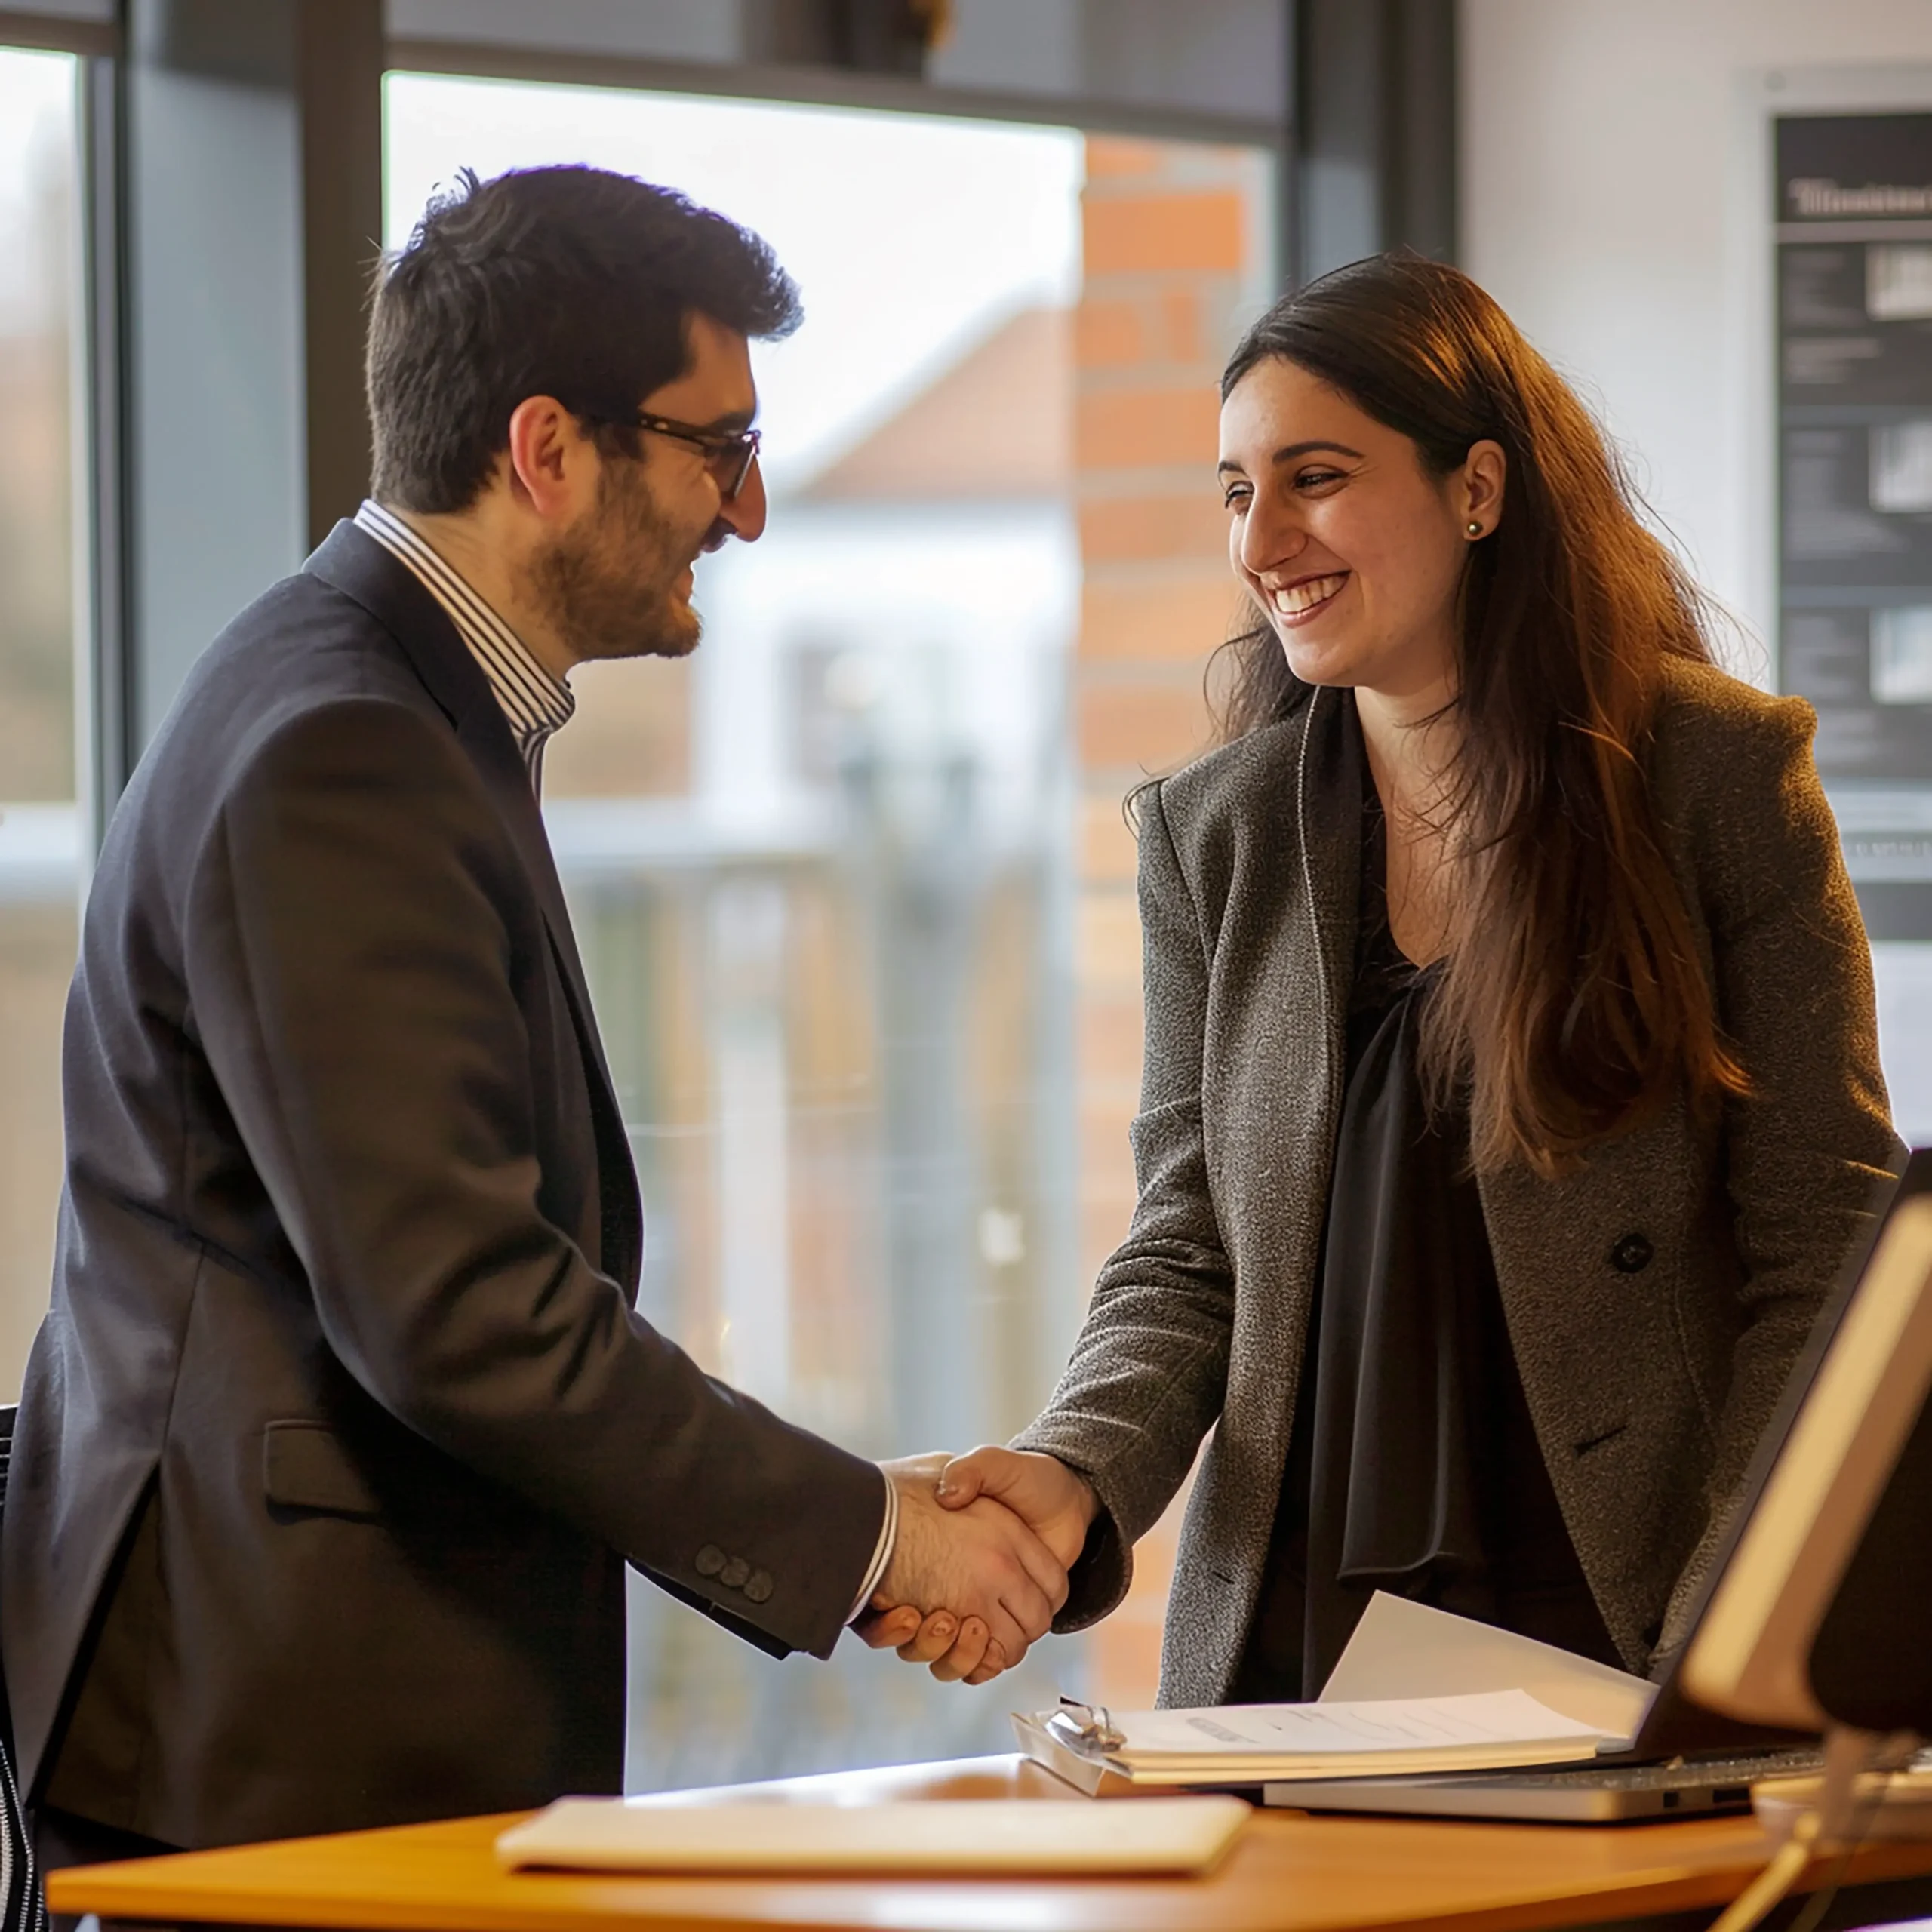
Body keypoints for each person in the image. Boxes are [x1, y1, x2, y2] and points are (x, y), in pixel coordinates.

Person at [2, 165, 1065, 1867]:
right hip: (275, 1736)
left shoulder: (381, 699)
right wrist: (870, 1535)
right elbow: (462, 1310)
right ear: (546, 449)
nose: (751, 510)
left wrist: (863, 1509)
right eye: (718, 449)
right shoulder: (341, 745)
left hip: (300, 1696)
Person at [901, 251, 1905, 1703]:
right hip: (1300, 1643)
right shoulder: (1210, 838)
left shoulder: (1718, 779)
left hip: (1631, 1619)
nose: (1263, 542)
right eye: (1238, 492)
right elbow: (1187, 1253)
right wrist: (1073, 1473)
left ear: (1478, 490)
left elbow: (1828, 1253)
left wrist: (1731, 1631)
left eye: (1315, 477)